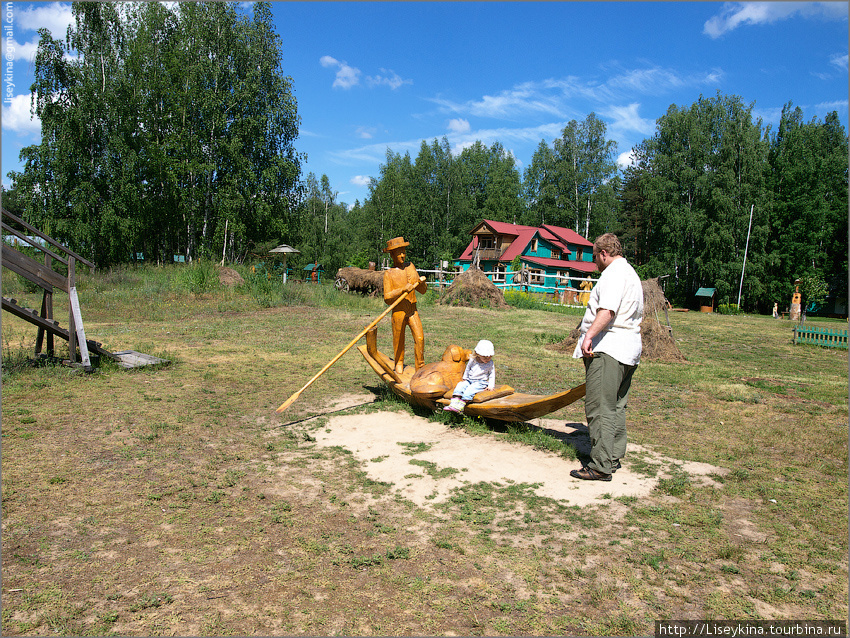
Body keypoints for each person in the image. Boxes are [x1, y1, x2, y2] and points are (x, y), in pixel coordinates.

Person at [570, 233, 643, 482]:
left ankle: (600, 465)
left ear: (604, 253)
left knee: (600, 406)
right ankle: (612, 455)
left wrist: (589, 336)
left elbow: (608, 310)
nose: (595, 264)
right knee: (616, 405)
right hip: (628, 349)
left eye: (595, 257)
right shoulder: (630, 273)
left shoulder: (613, 275)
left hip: (610, 348)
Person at [383, 237, 428, 374]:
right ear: (392, 255)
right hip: (398, 311)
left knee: (419, 338)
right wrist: (402, 289)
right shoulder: (389, 273)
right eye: (399, 252)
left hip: (412, 310)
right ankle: (399, 362)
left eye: (404, 251)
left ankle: (420, 367)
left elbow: (423, 290)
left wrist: (421, 283)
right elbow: (387, 297)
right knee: (398, 339)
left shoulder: (411, 267)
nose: (402, 255)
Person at [444, 340, 496, 413]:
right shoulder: (473, 360)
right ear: (478, 354)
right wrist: (465, 378)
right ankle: (454, 404)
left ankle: (461, 406)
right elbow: (468, 368)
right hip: (469, 380)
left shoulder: (490, 363)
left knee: (470, 390)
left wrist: (491, 385)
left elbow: (492, 374)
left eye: (489, 357)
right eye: (485, 357)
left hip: (481, 382)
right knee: (460, 385)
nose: (487, 359)